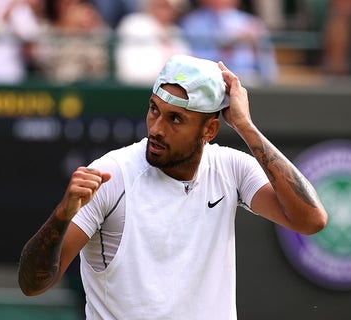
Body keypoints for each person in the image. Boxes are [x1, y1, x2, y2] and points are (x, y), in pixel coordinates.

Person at [17, 54, 328, 319]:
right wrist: (61, 215)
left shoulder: (231, 168)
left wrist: (246, 126)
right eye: (154, 110)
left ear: (210, 129)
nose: (157, 128)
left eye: (176, 119)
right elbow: (33, 285)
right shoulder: (111, 175)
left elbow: (311, 220)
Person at [180, 0, 278, 85]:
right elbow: (189, 63)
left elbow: (268, 68)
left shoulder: (251, 23)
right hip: (210, 82)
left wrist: (255, 48)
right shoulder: (190, 23)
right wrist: (223, 51)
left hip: (250, 82)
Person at [115, 0, 191, 86]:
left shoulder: (176, 31)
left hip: (169, 91)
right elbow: (131, 72)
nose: (167, 11)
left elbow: (186, 69)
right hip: (137, 90)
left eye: (171, 7)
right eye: (162, 6)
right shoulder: (134, 25)